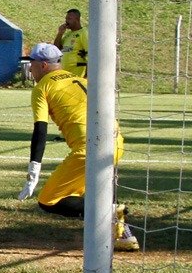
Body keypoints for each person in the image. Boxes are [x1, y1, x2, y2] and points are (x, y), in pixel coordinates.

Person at [17, 42, 138, 250]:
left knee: (49, 200)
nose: (30, 68)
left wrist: (33, 171)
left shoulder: (42, 87)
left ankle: (108, 211)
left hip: (89, 147)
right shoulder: (79, 79)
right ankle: (123, 236)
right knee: (89, 193)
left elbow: (40, 130)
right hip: (116, 141)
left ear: (44, 65)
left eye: (32, 63)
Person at [53, 8, 88, 77]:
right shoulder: (68, 34)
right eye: (66, 19)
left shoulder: (84, 33)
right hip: (65, 74)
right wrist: (60, 33)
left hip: (78, 75)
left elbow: (90, 54)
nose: (66, 21)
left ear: (77, 19)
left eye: (69, 19)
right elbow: (56, 49)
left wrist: (87, 75)